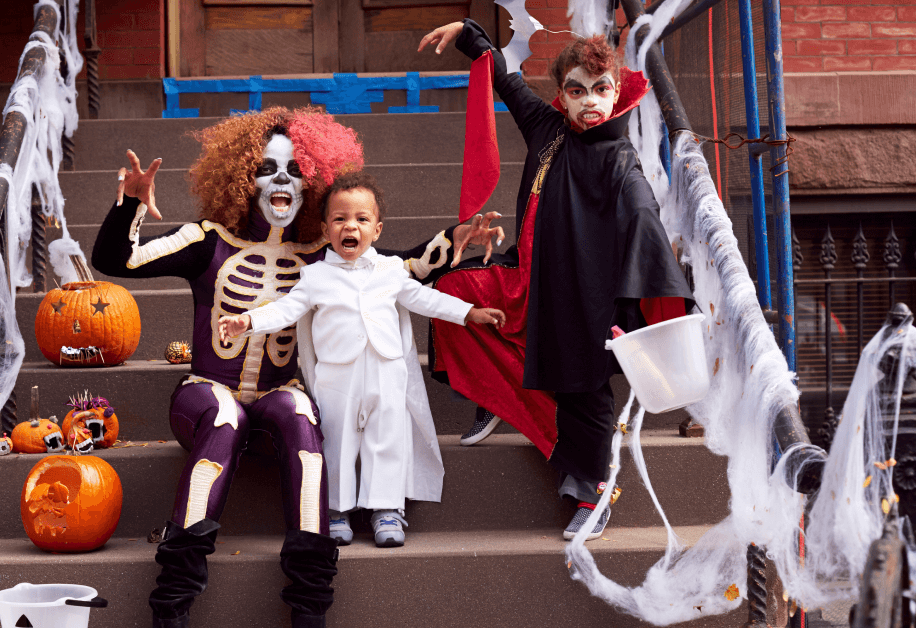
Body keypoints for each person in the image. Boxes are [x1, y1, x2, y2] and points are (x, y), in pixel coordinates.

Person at [91, 107, 503, 628]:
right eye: (267, 168)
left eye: (294, 171)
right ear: (243, 177)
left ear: (313, 186)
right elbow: (117, 261)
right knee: (224, 418)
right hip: (206, 391)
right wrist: (130, 201)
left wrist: (455, 241)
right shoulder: (207, 241)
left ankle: (310, 607)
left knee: (302, 418)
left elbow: (399, 267)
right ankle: (171, 604)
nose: (281, 179)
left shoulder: (321, 254)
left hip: (274, 394)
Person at [416, 21, 694, 540]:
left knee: (585, 394)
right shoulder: (547, 129)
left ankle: (595, 490)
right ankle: (494, 397)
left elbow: (643, 222)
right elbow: (508, 82)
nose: (590, 101)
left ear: (616, 94)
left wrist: (630, 312)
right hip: (529, 279)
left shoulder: (620, 160)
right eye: (577, 90)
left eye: (601, 89)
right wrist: (469, 36)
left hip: (583, 299)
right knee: (453, 292)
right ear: (562, 97)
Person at [218, 172, 506, 549]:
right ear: (326, 228)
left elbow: (424, 299)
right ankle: (336, 509)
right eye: (339, 219)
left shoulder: (390, 271)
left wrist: (468, 312)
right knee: (336, 440)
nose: (349, 226)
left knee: (386, 438)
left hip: (387, 369)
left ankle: (386, 507)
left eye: (361, 219)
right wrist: (248, 320)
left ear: (378, 230)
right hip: (338, 374)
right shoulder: (315, 276)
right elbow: (287, 309)